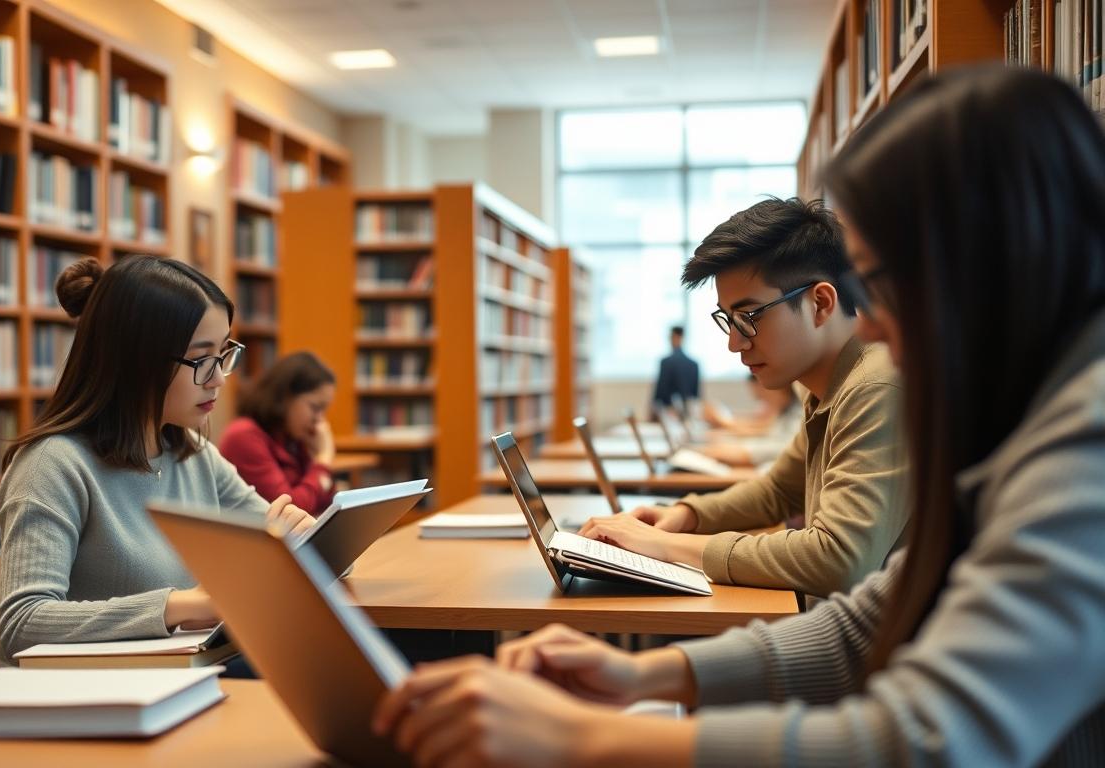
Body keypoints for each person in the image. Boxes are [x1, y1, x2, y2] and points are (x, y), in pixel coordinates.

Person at [373, 65, 1105, 767]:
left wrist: (582, 739)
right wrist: (644, 674)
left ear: (985, 260)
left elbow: (924, 741)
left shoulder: (1083, 448)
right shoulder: (1020, 419)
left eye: (883, 284)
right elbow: (878, 612)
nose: (874, 324)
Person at [0, 256, 313, 667]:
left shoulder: (192, 453)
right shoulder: (51, 465)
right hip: (79, 691)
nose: (218, 378)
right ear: (137, 362)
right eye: (201, 360)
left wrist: (302, 542)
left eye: (223, 354)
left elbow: (269, 539)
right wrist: (181, 606)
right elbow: (22, 623)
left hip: (176, 675)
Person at [585, 196, 907, 599]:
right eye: (729, 320)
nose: (734, 344)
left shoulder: (874, 386)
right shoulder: (829, 385)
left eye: (750, 317)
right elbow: (778, 490)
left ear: (821, 303)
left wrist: (664, 545)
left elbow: (840, 559)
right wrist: (685, 515)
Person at [219, 352, 338, 515]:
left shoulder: (292, 437)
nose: (320, 420)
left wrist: (315, 461)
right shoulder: (242, 436)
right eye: (315, 408)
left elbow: (327, 502)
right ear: (285, 397)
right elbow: (290, 512)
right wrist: (323, 461)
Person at [698, 374, 799, 468]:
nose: (762, 401)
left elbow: (783, 445)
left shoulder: (799, 410)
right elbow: (767, 432)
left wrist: (742, 452)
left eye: (763, 396)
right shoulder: (786, 409)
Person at [648, 326, 699, 421]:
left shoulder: (666, 362)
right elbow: (696, 395)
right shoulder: (694, 364)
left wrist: (652, 411)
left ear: (675, 337)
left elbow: (660, 391)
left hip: (668, 412)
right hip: (688, 413)